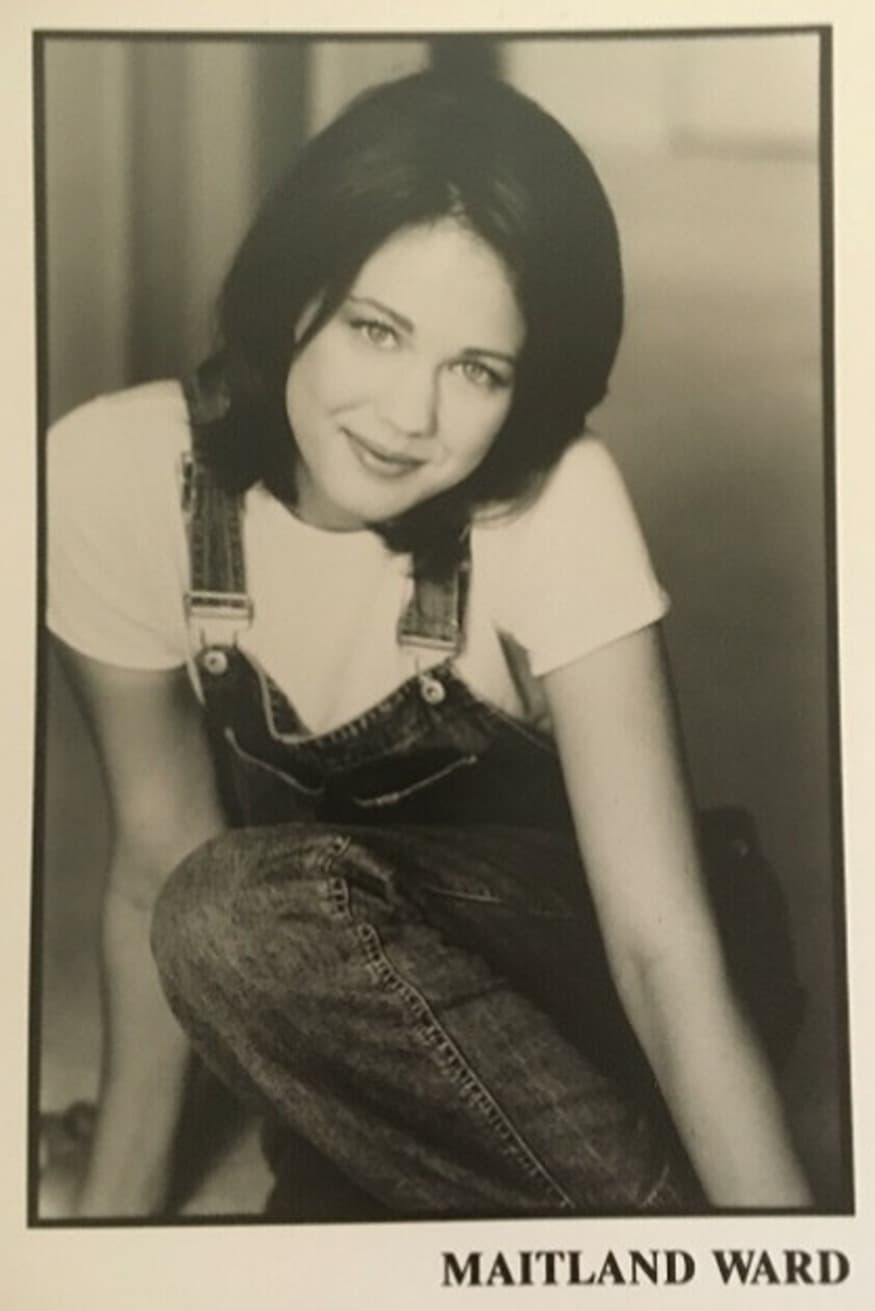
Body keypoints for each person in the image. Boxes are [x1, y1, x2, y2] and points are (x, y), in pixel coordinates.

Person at [44, 70, 811, 1219]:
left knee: (240, 912)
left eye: (476, 371)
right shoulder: (112, 476)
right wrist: (106, 1235)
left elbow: (658, 948)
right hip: (367, 1014)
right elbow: (158, 868)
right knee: (225, 930)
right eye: (376, 330)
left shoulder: (557, 498)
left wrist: (777, 1259)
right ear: (294, 293)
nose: (410, 417)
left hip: (597, 984)